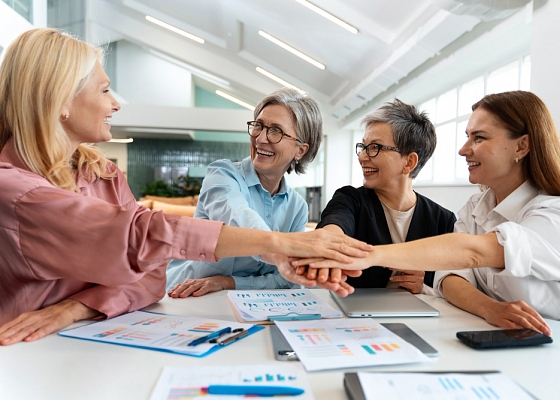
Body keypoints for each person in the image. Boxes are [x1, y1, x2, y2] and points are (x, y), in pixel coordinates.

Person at [0, 28, 370, 345]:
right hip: (25, 350)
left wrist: (77, 307)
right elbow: (143, 236)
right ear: (60, 100)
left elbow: (150, 277)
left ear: (300, 149)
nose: (115, 103)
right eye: (104, 90)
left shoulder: (104, 175)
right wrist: (283, 244)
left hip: (100, 338)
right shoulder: (14, 189)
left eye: (276, 131)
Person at [299, 91, 560, 332]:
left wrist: (369, 255)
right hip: (514, 337)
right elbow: (451, 277)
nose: (463, 149)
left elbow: (473, 252)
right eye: (467, 136)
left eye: (478, 138)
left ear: (521, 146)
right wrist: (490, 308)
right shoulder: (476, 208)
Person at [167, 88, 325, 297]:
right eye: (258, 126)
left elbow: (286, 280)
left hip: (251, 304)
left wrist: (228, 282)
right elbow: (236, 216)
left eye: (276, 130)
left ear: (300, 150)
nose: (260, 138)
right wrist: (279, 248)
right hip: (186, 296)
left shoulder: (297, 207)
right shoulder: (222, 175)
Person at [315, 99, 455, 294]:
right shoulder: (350, 199)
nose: (363, 157)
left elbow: (453, 284)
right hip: (358, 317)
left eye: (375, 147)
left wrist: (424, 287)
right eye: (363, 147)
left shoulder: (443, 221)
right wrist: (328, 242)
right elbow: (334, 226)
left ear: (409, 162)